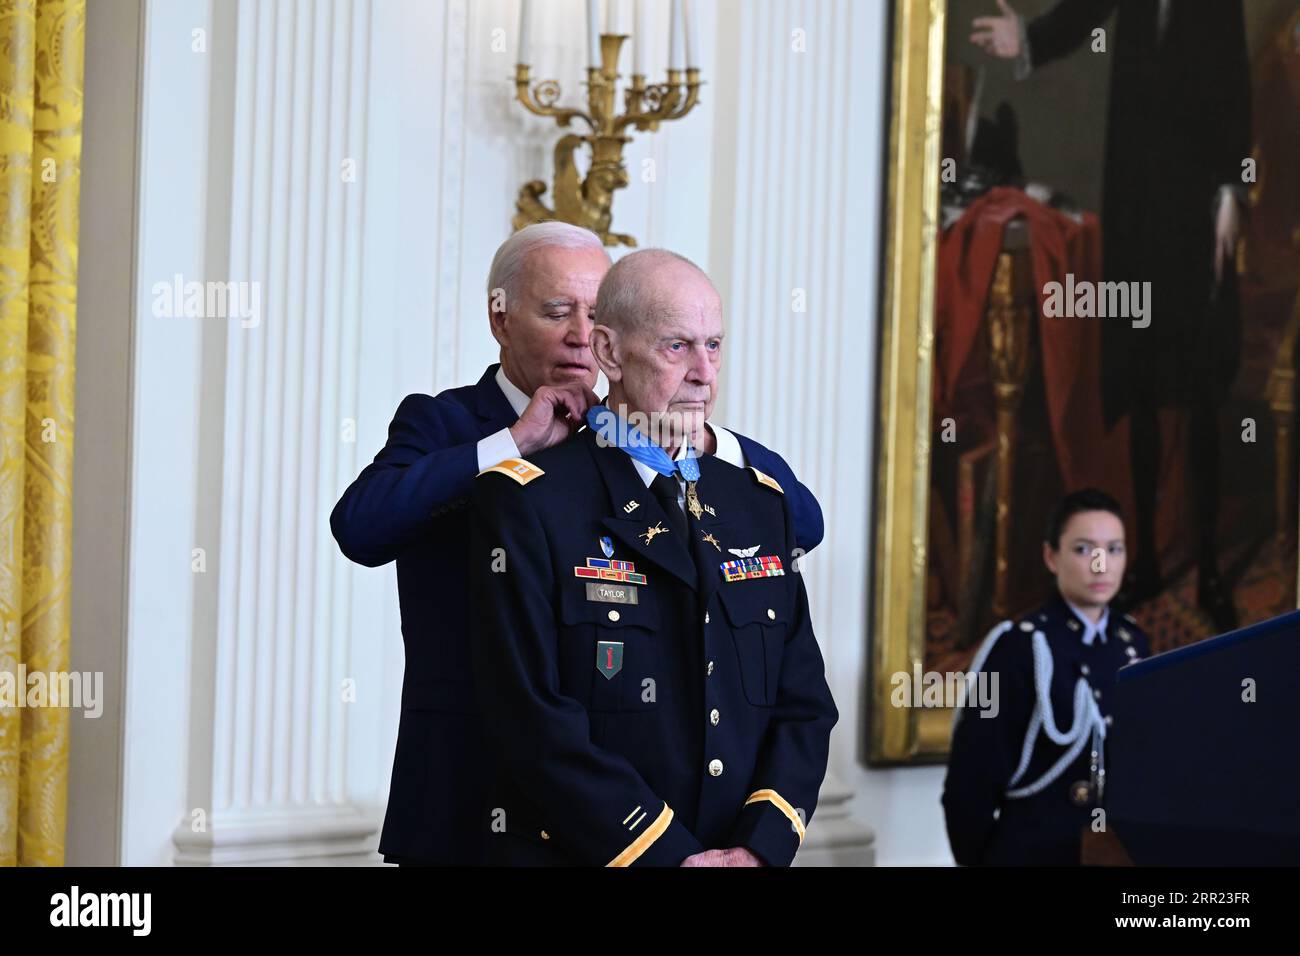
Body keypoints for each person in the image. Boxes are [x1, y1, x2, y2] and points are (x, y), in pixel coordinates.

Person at [330, 224, 825, 865]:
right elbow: (362, 527)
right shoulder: (449, 424)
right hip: (465, 793)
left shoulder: (651, 439)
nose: (579, 334)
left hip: (609, 811)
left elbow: (794, 528)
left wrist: (696, 434)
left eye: (594, 313)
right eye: (558, 311)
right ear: (500, 319)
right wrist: (513, 443)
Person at [469, 249, 838, 866]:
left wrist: (757, 848)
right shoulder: (528, 500)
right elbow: (529, 717)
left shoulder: (759, 504)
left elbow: (803, 704)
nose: (703, 373)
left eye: (714, 346)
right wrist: (666, 856)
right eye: (677, 347)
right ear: (609, 353)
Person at [971, 0, 1251, 628]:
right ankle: (1147, 559)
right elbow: (1081, 14)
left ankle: (1208, 567)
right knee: (1144, 390)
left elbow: (1235, 86)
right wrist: (1028, 40)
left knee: (1203, 390)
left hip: (1199, 212)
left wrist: (1233, 190)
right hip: (1136, 210)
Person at [942, 488, 1151, 865]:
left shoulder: (1132, 642)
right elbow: (969, 783)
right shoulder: (1020, 647)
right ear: (1051, 557)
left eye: (1115, 549)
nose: (1101, 564)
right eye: (1084, 549)